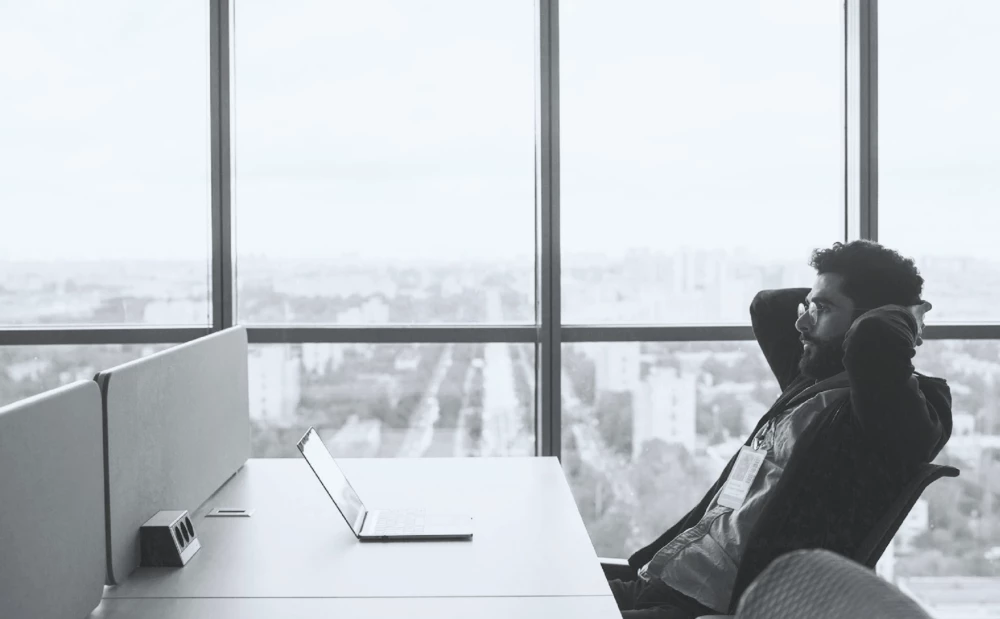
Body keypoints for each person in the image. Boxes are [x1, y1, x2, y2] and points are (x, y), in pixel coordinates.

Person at [609, 240, 953, 618]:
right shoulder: (809, 379)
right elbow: (767, 306)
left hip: (712, 608)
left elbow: (873, 340)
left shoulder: (899, 413)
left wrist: (901, 313)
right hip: (664, 580)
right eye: (809, 305)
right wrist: (825, 300)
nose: (802, 321)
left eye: (821, 309)